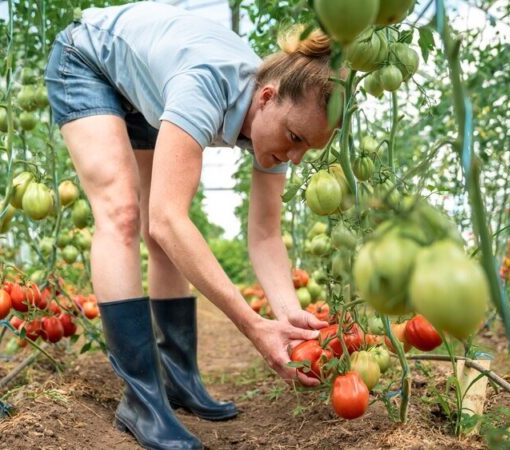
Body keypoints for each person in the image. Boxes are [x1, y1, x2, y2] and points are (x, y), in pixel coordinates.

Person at [45, 2, 336, 449]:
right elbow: (166, 220)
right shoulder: (205, 84)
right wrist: (252, 325)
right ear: (266, 97)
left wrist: (286, 311)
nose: (294, 157)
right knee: (124, 212)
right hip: (88, 59)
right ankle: (142, 401)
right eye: (295, 139)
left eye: (307, 149)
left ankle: (180, 380)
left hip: (149, 83)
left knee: (163, 237)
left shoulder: (280, 126)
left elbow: (264, 234)